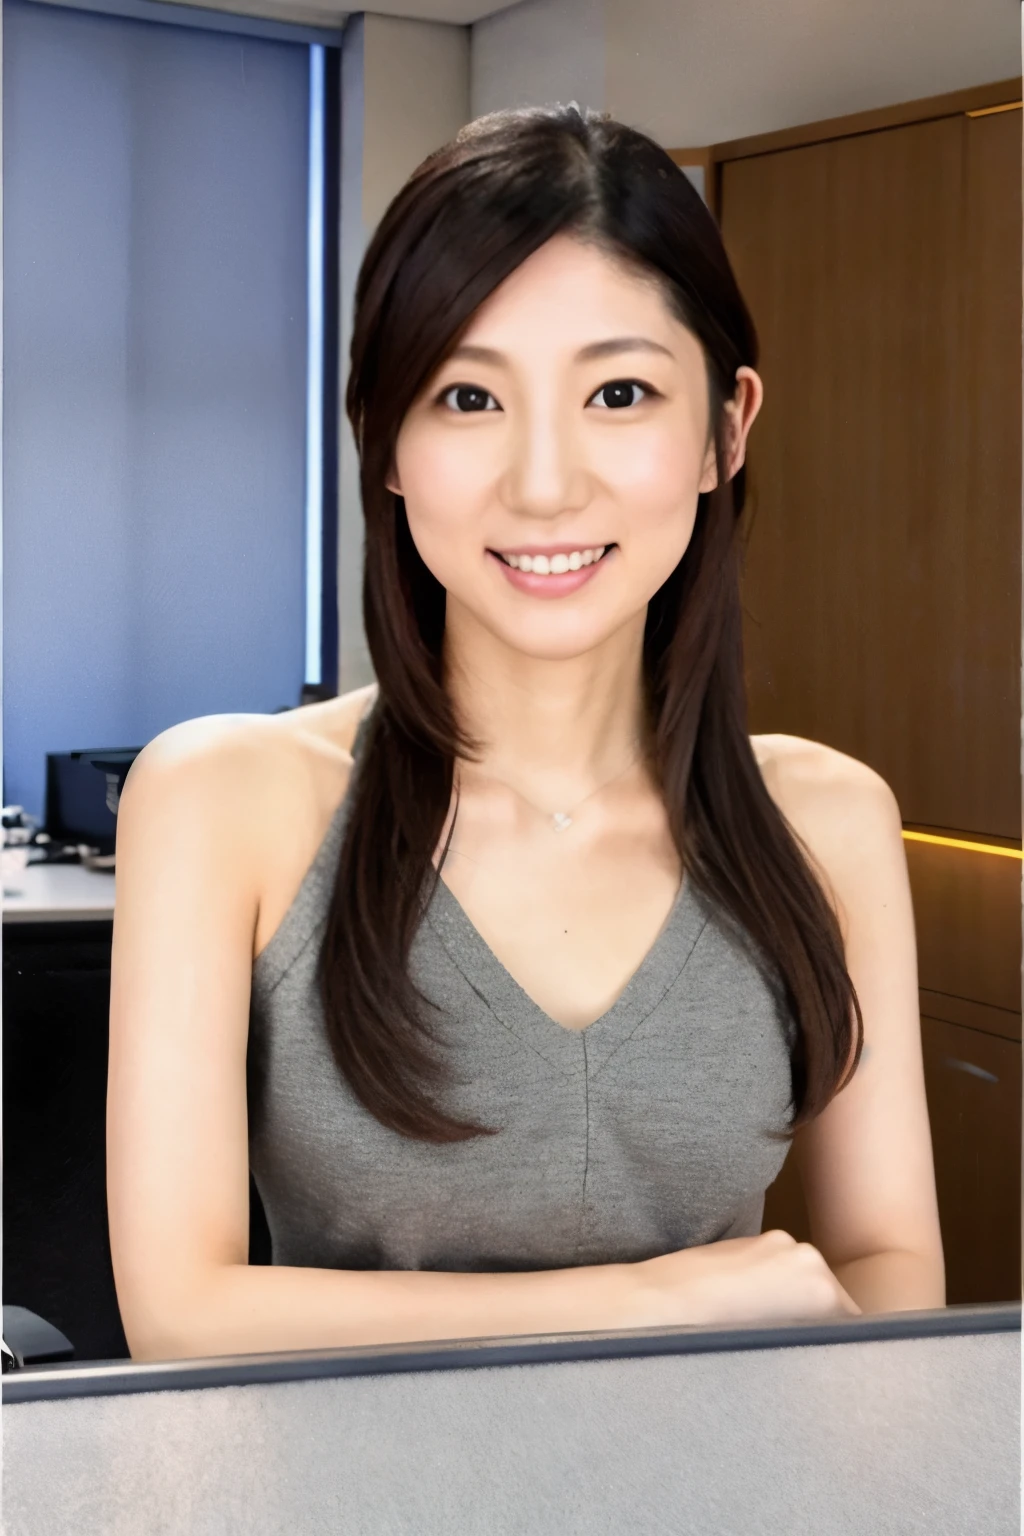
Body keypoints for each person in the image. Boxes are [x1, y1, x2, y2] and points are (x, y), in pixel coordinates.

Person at [107, 105, 944, 1363]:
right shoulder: (224, 801)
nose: (544, 484)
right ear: (385, 442)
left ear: (726, 428)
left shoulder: (826, 822)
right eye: (465, 395)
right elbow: (181, 1313)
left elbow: (890, 1266)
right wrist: (648, 1304)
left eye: (619, 392)